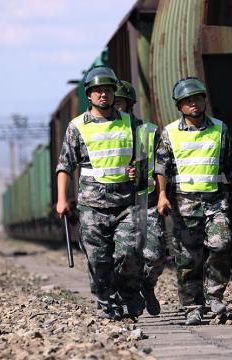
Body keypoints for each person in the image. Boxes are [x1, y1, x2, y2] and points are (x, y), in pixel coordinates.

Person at [55, 66, 144, 320]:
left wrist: (137, 171)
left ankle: (128, 292)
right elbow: (64, 165)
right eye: (97, 91)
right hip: (92, 205)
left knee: (128, 252)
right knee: (98, 259)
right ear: (89, 95)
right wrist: (62, 199)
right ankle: (106, 301)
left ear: (114, 92)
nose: (102, 95)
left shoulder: (130, 123)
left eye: (107, 90)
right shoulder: (77, 127)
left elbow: (145, 157)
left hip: (126, 202)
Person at [155, 77, 232, 325]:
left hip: (216, 202)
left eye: (197, 98)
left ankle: (214, 295)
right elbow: (161, 168)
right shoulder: (170, 133)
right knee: (187, 258)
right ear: (180, 106)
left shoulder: (220, 129)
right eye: (187, 101)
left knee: (222, 245)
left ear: (205, 100)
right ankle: (192, 306)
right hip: (184, 204)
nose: (193, 103)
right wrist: (162, 195)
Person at [115, 80, 164, 316]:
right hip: (118, 205)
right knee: (125, 255)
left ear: (130, 104)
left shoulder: (147, 132)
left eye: (121, 103)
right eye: (114, 103)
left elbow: (163, 165)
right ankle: (128, 295)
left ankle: (148, 285)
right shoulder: (105, 134)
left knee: (154, 255)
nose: (117, 107)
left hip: (148, 202)